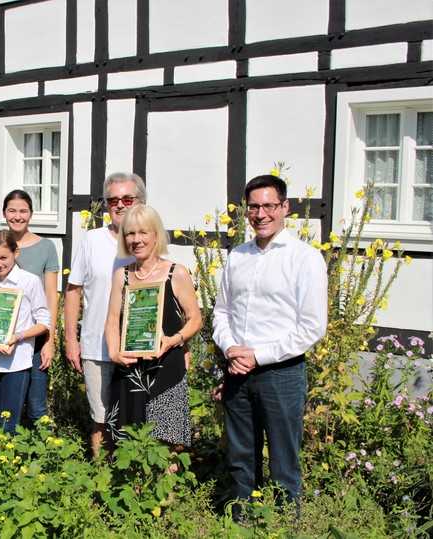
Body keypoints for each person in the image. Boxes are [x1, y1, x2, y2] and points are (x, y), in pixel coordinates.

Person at [213, 174, 327, 512]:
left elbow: (312, 326)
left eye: (269, 206)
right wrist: (232, 348)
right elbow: (221, 312)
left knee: (283, 453)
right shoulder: (238, 256)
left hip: (281, 371)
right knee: (240, 451)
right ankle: (241, 512)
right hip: (237, 367)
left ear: (285, 208)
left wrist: (257, 356)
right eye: (253, 207)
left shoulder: (304, 258)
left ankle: (282, 520)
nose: (260, 214)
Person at [104, 204, 202, 448]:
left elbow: (195, 318)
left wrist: (175, 340)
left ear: (156, 235)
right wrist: (115, 353)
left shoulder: (176, 273)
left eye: (142, 233)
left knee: (166, 444)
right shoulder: (122, 275)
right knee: (129, 443)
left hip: (166, 367)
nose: (136, 240)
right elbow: (112, 319)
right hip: (130, 369)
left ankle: (165, 486)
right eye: (130, 234)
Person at [64, 172, 145, 456]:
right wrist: (71, 340)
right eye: (112, 200)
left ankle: (132, 478)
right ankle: (100, 479)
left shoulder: (148, 240)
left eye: (127, 198)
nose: (119, 205)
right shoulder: (92, 240)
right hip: (96, 344)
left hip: (138, 347)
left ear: (140, 202)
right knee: (100, 419)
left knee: (137, 418)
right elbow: (73, 291)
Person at [0, 190, 58, 426]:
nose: (17, 216)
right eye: (12, 210)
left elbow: (51, 298)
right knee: (1, 410)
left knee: (36, 405)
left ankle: (42, 458)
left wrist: (50, 340)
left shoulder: (46, 247)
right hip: (0, 339)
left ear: (31, 214)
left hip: (33, 336)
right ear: (4, 213)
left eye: (23, 210)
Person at [0, 230, 50, 439]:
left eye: (3, 257)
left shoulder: (29, 281)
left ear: (16, 253)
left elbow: (44, 322)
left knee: (10, 422)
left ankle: (9, 467)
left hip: (17, 362)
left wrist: (18, 336)